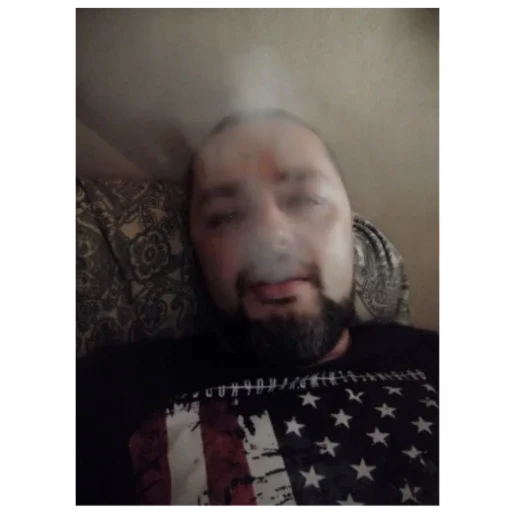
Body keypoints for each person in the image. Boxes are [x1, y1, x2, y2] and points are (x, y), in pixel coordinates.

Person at [73, 109, 440, 508]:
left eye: (304, 199)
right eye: (226, 215)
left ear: (350, 225)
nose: (270, 238)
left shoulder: (433, 359)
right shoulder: (109, 393)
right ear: (196, 247)